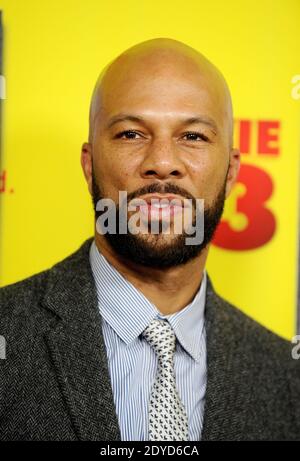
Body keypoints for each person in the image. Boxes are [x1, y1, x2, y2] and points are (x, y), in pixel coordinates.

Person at [0, 38, 299, 441]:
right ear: (90, 166)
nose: (162, 162)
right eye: (131, 134)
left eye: (192, 136)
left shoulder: (285, 379)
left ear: (230, 171)